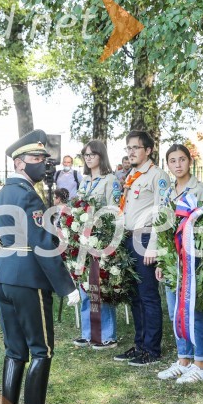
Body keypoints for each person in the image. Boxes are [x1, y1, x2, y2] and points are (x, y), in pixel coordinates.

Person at [0, 128, 80, 404]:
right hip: (27, 279)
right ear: (18, 163)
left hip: (2, 275)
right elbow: (43, 244)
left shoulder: (3, 192)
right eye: (35, 158)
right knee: (41, 350)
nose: (42, 162)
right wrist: (68, 287)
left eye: (44, 157)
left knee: (15, 351)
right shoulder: (28, 196)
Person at [154, 144, 203, 384]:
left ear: (190, 162)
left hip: (193, 259)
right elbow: (163, 229)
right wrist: (161, 259)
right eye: (172, 161)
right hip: (171, 260)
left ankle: (201, 363)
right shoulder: (167, 193)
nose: (177, 165)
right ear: (167, 165)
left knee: (194, 310)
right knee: (175, 310)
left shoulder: (201, 190)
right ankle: (184, 359)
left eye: (182, 160)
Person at [113, 130, 170, 366]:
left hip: (145, 239)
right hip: (129, 238)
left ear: (148, 150)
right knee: (134, 296)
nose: (131, 151)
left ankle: (152, 349)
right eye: (128, 148)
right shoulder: (132, 175)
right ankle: (140, 344)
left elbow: (162, 212)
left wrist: (153, 247)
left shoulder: (158, 176)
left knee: (148, 295)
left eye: (136, 147)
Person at [72, 140, 121, 351]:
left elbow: (115, 209)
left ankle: (108, 335)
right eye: (85, 155)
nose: (89, 158)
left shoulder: (110, 180)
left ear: (101, 155)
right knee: (85, 285)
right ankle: (87, 333)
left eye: (93, 154)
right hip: (83, 238)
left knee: (102, 285)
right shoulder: (84, 181)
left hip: (103, 238)